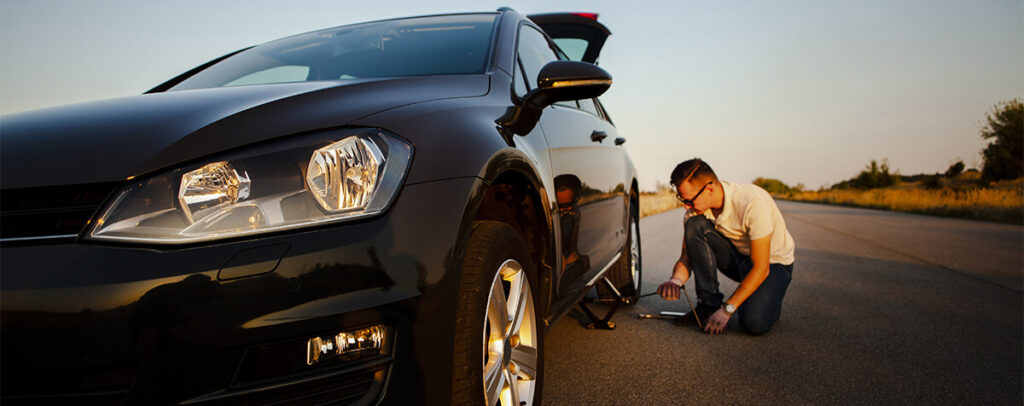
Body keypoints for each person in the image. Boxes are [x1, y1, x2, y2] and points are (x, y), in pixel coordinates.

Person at [657, 159, 795, 335]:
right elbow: (686, 256)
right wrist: (675, 280)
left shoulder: (752, 202)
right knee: (694, 224)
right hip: (739, 259)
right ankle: (708, 304)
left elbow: (761, 268)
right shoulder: (695, 211)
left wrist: (727, 310)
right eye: (682, 200)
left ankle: (770, 298)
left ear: (709, 189)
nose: (686, 206)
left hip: (773, 264)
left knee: (754, 323)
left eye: (689, 200)